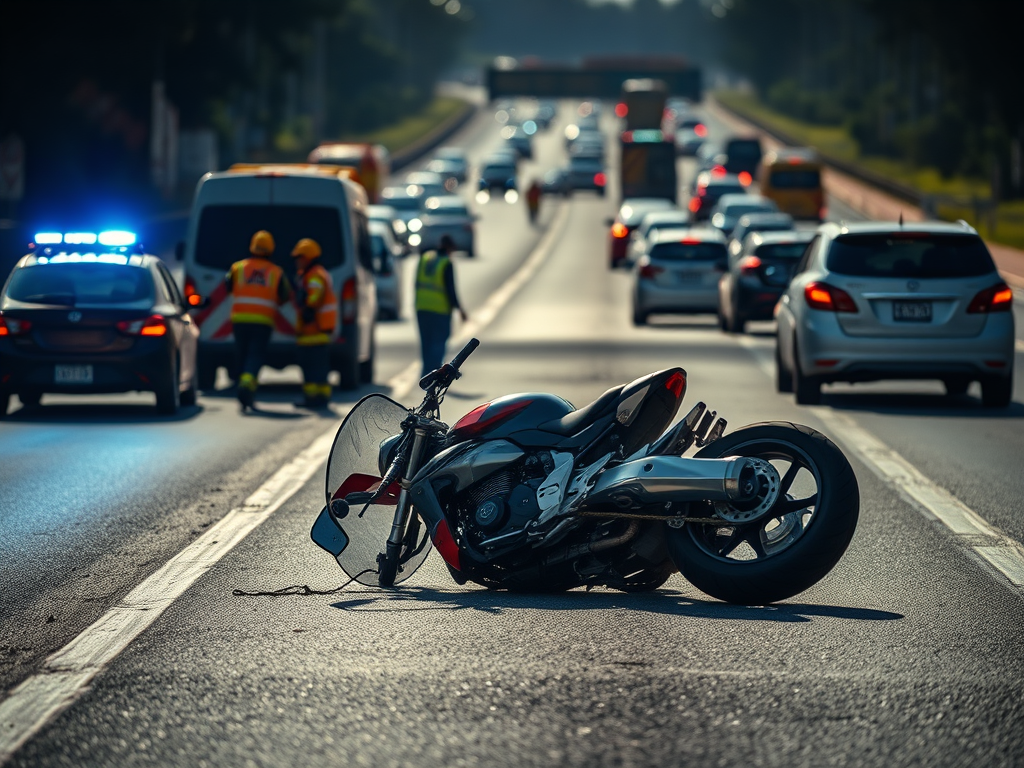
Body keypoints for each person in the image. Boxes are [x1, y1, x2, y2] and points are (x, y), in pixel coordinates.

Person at [225, 230, 292, 411]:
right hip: (263, 321)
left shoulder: (237, 268)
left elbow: (227, 286)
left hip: (239, 320)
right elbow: (285, 294)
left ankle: (242, 384)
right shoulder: (276, 272)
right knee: (255, 355)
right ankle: (247, 385)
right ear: (271, 249)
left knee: (242, 353)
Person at [291, 237, 337, 409]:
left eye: (299, 257)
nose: (297, 261)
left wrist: (308, 306)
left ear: (308, 257)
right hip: (316, 332)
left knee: (312, 370)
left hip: (313, 332)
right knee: (318, 370)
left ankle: (313, 400)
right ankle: (320, 399)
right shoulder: (312, 274)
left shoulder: (314, 275)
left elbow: (315, 296)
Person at [415, 235, 467, 376]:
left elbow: (416, 284)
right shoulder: (446, 263)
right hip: (440, 309)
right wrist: (460, 310)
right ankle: (435, 373)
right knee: (439, 342)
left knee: (426, 341)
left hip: (422, 307)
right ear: (449, 248)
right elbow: (451, 289)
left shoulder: (425, 258)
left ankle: (426, 373)